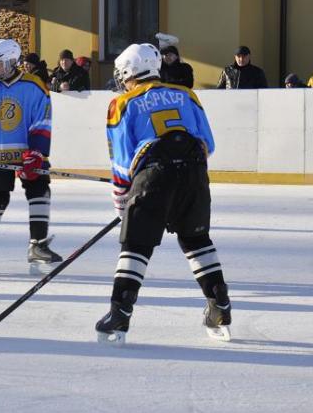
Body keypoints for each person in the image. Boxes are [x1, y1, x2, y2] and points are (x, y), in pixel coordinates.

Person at [97, 43, 230, 344]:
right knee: (196, 240)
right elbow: (208, 142)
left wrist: (122, 200)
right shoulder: (187, 94)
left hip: (153, 176)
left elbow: (121, 160)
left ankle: (119, 313)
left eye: (122, 75)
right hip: (194, 172)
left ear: (130, 73)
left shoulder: (122, 103)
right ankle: (220, 304)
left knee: (136, 244)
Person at [0, 39, 62, 274]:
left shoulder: (35, 86)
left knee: (39, 191)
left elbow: (41, 122)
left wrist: (37, 152)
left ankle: (37, 244)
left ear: (14, 62)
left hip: (29, 153)